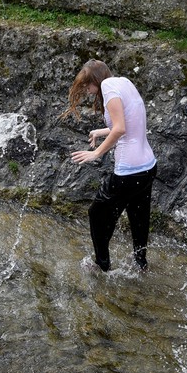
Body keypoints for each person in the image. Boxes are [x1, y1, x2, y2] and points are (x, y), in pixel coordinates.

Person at [64, 59, 157, 272]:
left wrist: (96, 153)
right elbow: (132, 123)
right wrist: (101, 131)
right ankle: (141, 264)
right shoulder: (123, 81)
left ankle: (101, 264)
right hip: (148, 167)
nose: (87, 91)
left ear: (96, 80)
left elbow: (121, 129)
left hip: (129, 171)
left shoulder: (107, 87)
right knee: (138, 216)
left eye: (88, 85)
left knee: (97, 214)